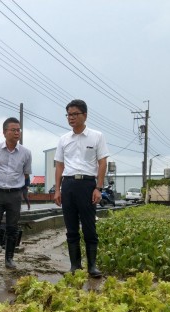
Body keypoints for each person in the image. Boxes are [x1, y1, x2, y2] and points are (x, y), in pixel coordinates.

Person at [54, 99, 109, 278]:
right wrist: (57, 190)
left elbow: (102, 163)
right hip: (68, 185)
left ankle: (92, 266)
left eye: (75, 114)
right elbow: (60, 166)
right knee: (71, 228)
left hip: (87, 185)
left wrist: (98, 188)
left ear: (84, 115)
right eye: (68, 115)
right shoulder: (63, 139)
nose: (71, 118)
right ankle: (75, 266)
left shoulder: (96, 136)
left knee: (89, 227)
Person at [0, 117, 32, 270]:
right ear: (5, 132)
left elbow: (26, 174)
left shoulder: (26, 153)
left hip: (15, 195)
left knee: (12, 227)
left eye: (19, 130)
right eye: (13, 130)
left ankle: (9, 259)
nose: (17, 133)